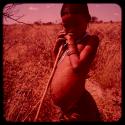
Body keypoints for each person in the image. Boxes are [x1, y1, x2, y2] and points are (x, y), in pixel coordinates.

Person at [51, 4, 101, 121]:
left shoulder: (91, 40)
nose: (71, 30)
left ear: (88, 19)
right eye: (66, 26)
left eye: (76, 24)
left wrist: (71, 44)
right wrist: (55, 50)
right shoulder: (66, 44)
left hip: (79, 105)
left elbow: (77, 67)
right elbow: (57, 68)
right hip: (65, 108)